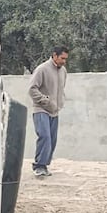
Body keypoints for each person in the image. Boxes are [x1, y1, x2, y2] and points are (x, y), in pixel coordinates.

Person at [28, 46, 68, 177]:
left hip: (55, 111)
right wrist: (45, 101)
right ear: (54, 55)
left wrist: (59, 102)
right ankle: (39, 166)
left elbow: (61, 89)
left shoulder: (63, 71)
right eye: (62, 58)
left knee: (52, 140)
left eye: (66, 59)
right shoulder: (42, 69)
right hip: (41, 109)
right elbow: (32, 89)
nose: (64, 61)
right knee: (44, 136)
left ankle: (44, 165)